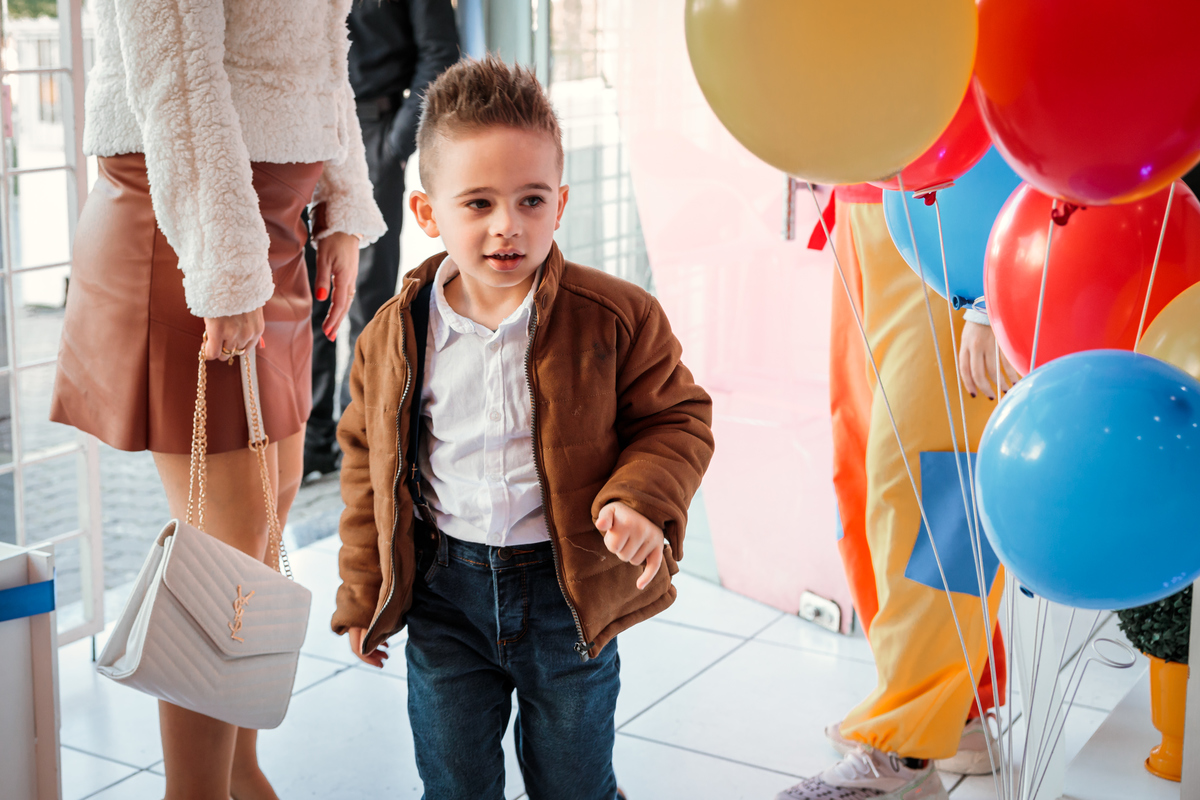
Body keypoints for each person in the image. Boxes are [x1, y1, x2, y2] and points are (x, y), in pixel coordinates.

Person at [330, 57, 714, 799]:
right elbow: (363, 460)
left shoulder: (617, 317)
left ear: (560, 202)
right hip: (445, 596)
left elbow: (678, 418)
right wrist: (364, 589)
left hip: (566, 596)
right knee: (454, 782)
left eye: (530, 200)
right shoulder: (391, 336)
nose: (508, 225)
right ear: (427, 214)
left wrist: (639, 499)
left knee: (574, 784)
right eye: (477, 203)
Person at [50, 2, 385, 798]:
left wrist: (340, 197)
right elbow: (177, 72)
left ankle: (243, 779)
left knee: (260, 537)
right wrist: (228, 269)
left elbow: (319, 47)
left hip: (266, 226)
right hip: (192, 225)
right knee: (224, 560)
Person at [774, 186, 1015, 800]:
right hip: (868, 207)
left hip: (953, 217)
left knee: (930, 486)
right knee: (860, 472)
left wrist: (989, 298)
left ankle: (903, 750)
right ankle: (953, 709)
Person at [303, 0, 461, 479]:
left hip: (371, 132)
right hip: (302, 130)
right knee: (308, 296)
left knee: (365, 302)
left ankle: (359, 441)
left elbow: (440, 58)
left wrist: (392, 145)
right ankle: (312, 445)